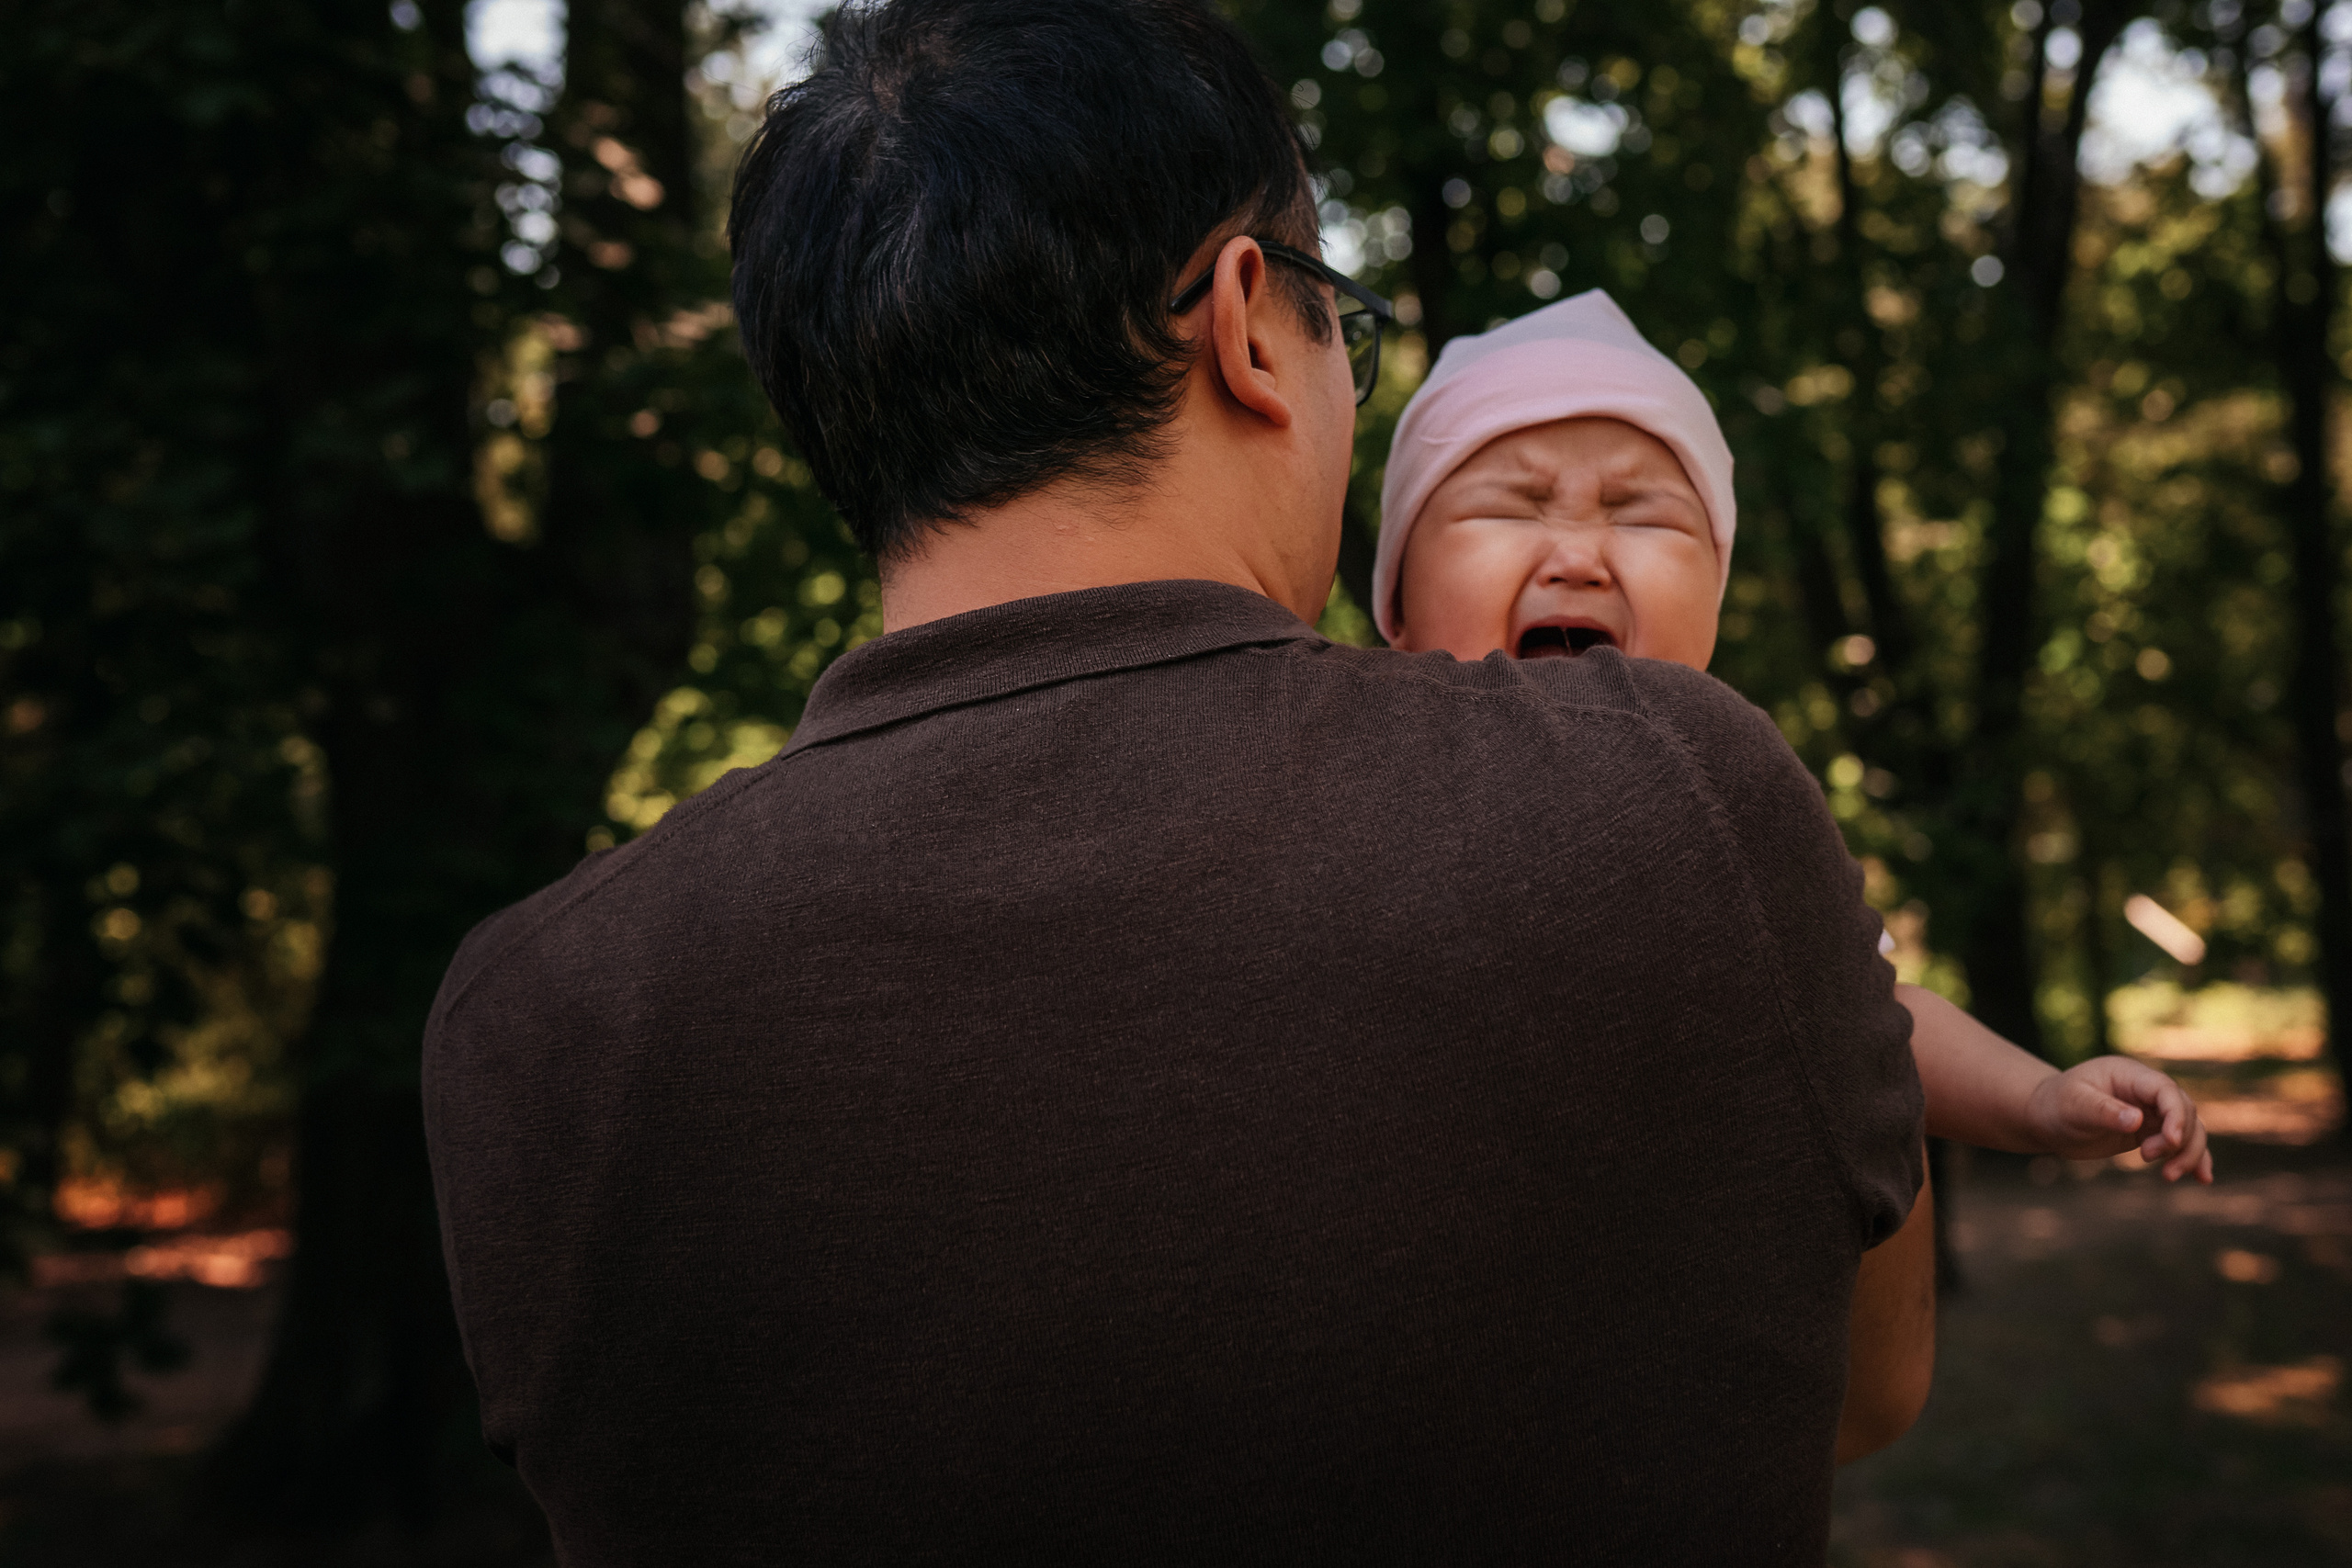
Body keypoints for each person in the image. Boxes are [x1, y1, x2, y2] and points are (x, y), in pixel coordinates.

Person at [423, 2, 1928, 1560]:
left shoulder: (537, 1018)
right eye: (1344, 320)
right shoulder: (1679, 803)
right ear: (1249, 326)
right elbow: (1864, 1387)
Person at [1373, 289, 2212, 1188]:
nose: (1578, 556)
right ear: (1398, 601)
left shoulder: (1728, 810)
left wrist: (2039, 1100)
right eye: (1511, 508)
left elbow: (1872, 1016)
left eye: (1642, 515)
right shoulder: (1350, 783)